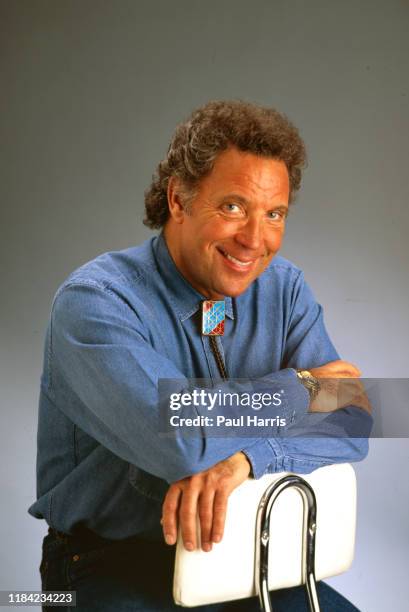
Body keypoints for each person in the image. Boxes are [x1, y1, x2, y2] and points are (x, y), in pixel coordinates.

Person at [29, 100, 372, 611]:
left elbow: (355, 418)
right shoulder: (95, 302)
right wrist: (303, 387)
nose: (255, 240)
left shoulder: (285, 289)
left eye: (274, 213)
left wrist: (248, 459)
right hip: (108, 563)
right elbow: (182, 439)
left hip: (249, 559)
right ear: (178, 200)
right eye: (233, 206)